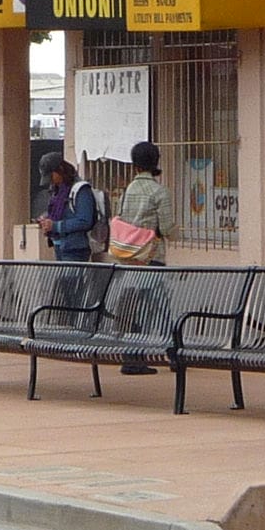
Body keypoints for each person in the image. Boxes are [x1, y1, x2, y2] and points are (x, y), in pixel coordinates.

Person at [111, 140, 170, 373]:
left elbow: (123, 218)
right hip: (151, 255)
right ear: (155, 162)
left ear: (134, 164)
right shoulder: (159, 192)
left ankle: (130, 354)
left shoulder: (129, 191)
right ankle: (173, 349)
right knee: (159, 304)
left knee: (134, 303)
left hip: (128, 256)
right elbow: (166, 227)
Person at [35, 154, 101, 262]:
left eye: (51, 176)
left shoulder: (81, 190)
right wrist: (45, 218)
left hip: (75, 249)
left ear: (60, 170)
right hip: (58, 246)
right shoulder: (56, 191)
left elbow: (85, 221)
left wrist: (55, 226)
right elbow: (60, 212)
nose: (51, 181)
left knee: (71, 279)